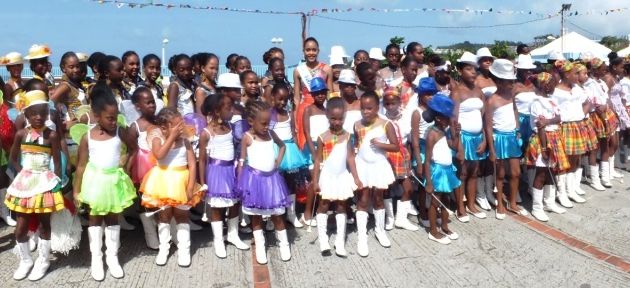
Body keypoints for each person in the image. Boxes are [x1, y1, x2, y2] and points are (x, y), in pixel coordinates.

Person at [73, 84, 136, 281]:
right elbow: (81, 166)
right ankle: (96, 258)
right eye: (109, 118)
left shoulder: (121, 132)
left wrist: (125, 162)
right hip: (95, 182)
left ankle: (112, 257)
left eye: (116, 116)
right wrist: (76, 191)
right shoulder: (87, 137)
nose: (113, 121)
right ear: (96, 116)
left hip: (114, 181)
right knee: (94, 219)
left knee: (113, 218)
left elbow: (133, 149)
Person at [5, 90, 63, 281]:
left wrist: (56, 181)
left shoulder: (52, 136)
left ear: (48, 114)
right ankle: (26, 260)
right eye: (34, 113)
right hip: (25, 183)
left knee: (45, 224)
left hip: (45, 182)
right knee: (21, 228)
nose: (39, 117)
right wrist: (22, 173)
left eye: (43, 113)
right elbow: (12, 159)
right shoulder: (21, 134)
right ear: (26, 115)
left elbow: (57, 163)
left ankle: (43, 260)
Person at [140, 107, 204, 267]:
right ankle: (164, 249)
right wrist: (171, 137)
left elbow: (192, 164)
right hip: (161, 182)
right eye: (177, 126)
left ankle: (184, 249)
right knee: (164, 216)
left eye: (181, 125)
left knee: (182, 216)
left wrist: (190, 187)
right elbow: (159, 155)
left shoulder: (185, 141)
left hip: (181, 181)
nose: (181, 129)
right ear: (163, 128)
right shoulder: (157, 139)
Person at [237, 100, 292, 265]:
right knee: (256, 216)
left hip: (272, 180)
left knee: (277, 214)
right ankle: (260, 245)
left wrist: (277, 162)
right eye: (263, 123)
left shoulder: (270, 134)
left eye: (269, 122)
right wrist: (240, 182)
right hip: (254, 181)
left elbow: (282, 146)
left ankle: (284, 243)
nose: (267, 126)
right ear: (251, 121)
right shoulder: (247, 138)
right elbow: (242, 160)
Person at [198, 92, 249, 258]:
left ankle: (233, 234)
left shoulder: (231, 128)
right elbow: (203, 160)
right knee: (217, 207)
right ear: (217, 111)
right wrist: (202, 182)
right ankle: (218, 239)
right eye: (229, 108)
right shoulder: (206, 133)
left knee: (234, 203)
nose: (232, 111)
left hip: (231, 170)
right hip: (216, 173)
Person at [312, 97, 361, 257]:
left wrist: (356, 177)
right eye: (333, 118)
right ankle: (323, 239)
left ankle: (340, 241)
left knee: (341, 205)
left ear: (345, 117)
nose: (337, 122)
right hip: (327, 176)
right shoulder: (322, 137)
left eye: (340, 119)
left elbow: (351, 158)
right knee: (324, 205)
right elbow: (318, 160)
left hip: (341, 176)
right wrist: (314, 180)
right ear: (327, 116)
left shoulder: (347, 136)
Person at [354, 91, 398, 257]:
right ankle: (362, 236)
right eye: (363, 108)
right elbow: (358, 144)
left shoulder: (386, 124)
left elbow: (395, 146)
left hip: (379, 166)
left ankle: (380, 231)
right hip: (363, 166)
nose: (366, 111)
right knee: (363, 200)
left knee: (378, 198)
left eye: (369, 108)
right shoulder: (357, 125)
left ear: (377, 107)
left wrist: (381, 145)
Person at [484, 59, 525, 219]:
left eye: (512, 81)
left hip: (512, 137)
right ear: (499, 82)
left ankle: (512, 202)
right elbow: (488, 126)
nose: (512, 84)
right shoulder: (491, 100)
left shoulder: (511, 95)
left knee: (515, 173)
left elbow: (515, 110)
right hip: (499, 138)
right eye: (509, 81)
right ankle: (500, 203)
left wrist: (517, 129)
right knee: (500, 174)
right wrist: (492, 149)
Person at [527, 72, 570, 221]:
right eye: (552, 83)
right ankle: (536, 207)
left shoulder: (551, 100)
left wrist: (549, 121)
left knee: (552, 170)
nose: (554, 85)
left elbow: (559, 118)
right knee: (541, 173)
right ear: (544, 85)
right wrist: (544, 149)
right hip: (543, 139)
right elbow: (540, 126)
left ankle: (549, 202)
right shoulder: (537, 103)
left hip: (554, 138)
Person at [452, 52, 488, 218]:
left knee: (474, 172)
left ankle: (472, 204)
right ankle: (460, 207)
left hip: (477, 138)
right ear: (460, 71)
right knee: (462, 172)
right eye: (468, 69)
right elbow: (453, 120)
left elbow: (485, 117)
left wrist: (485, 140)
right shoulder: (457, 92)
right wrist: (458, 144)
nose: (473, 72)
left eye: (474, 69)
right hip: (463, 137)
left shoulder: (479, 91)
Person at [269, 83, 309, 228]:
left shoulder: (289, 113)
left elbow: (293, 131)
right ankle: (274, 216)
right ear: (272, 97)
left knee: (291, 182)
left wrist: (296, 147)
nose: (282, 102)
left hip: (290, 151)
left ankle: (291, 214)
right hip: (275, 150)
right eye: (279, 99)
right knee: (275, 183)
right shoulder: (269, 114)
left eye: (285, 99)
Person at [423, 94, 461, 244]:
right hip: (437, 172)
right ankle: (433, 230)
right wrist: (429, 182)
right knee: (435, 202)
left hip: (447, 170)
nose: (450, 120)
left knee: (446, 200)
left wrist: (456, 134)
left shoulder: (443, 131)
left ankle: (444, 226)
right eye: (447, 117)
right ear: (439, 118)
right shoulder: (432, 134)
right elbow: (427, 160)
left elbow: (454, 146)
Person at [551, 62, 589, 208]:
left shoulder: (576, 89)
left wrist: (581, 115)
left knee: (575, 159)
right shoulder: (556, 91)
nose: (577, 76)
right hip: (565, 126)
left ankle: (571, 189)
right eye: (574, 73)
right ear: (567, 74)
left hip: (578, 125)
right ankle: (561, 193)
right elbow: (553, 109)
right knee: (564, 161)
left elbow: (587, 102)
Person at [382, 87, 418, 231]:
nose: (391, 106)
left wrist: (408, 160)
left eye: (393, 103)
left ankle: (401, 219)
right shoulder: (381, 119)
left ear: (399, 102)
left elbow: (409, 141)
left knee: (408, 188)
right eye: (387, 104)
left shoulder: (405, 117)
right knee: (387, 187)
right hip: (386, 154)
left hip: (402, 154)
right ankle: (389, 218)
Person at [127, 87, 159, 249]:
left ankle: (163, 230)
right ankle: (150, 234)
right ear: (138, 106)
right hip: (143, 169)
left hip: (160, 168)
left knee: (162, 199)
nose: (152, 105)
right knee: (145, 201)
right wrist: (128, 172)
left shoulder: (160, 121)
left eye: (153, 101)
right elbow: (132, 151)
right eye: (147, 103)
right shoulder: (135, 127)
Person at [294, 37, 333, 151]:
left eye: (314, 50)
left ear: (318, 51)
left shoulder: (326, 69)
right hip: (304, 108)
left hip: (321, 108)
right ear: (304, 51)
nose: (311, 53)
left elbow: (329, 93)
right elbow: (296, 97)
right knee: (305, 141)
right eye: (308, 50)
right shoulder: (298, 71)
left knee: (322, 138)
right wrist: (295, 118)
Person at [410, 77, 438, 227]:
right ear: (420, 95)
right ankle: (422, 212)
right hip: (421, 150)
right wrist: (419, 163)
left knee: (434, 181)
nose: (430, 97)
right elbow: (414, 139)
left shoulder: (435, 111)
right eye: (427, 94)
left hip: (434, 149)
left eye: (433, 94)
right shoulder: (417, 113)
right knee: (423, 184)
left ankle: (433, 208)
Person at [302, 77, 329, 225]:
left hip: (325, 149)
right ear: (312, 95)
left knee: (323, 181)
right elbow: (306, 132)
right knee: (314, 180)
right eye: (317, 93)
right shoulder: (308, 110)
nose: (320, 95)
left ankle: (320, 211)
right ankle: (307, 213)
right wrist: (314, 154)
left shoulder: (327, 110)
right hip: (312, 148)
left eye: (323, 92)